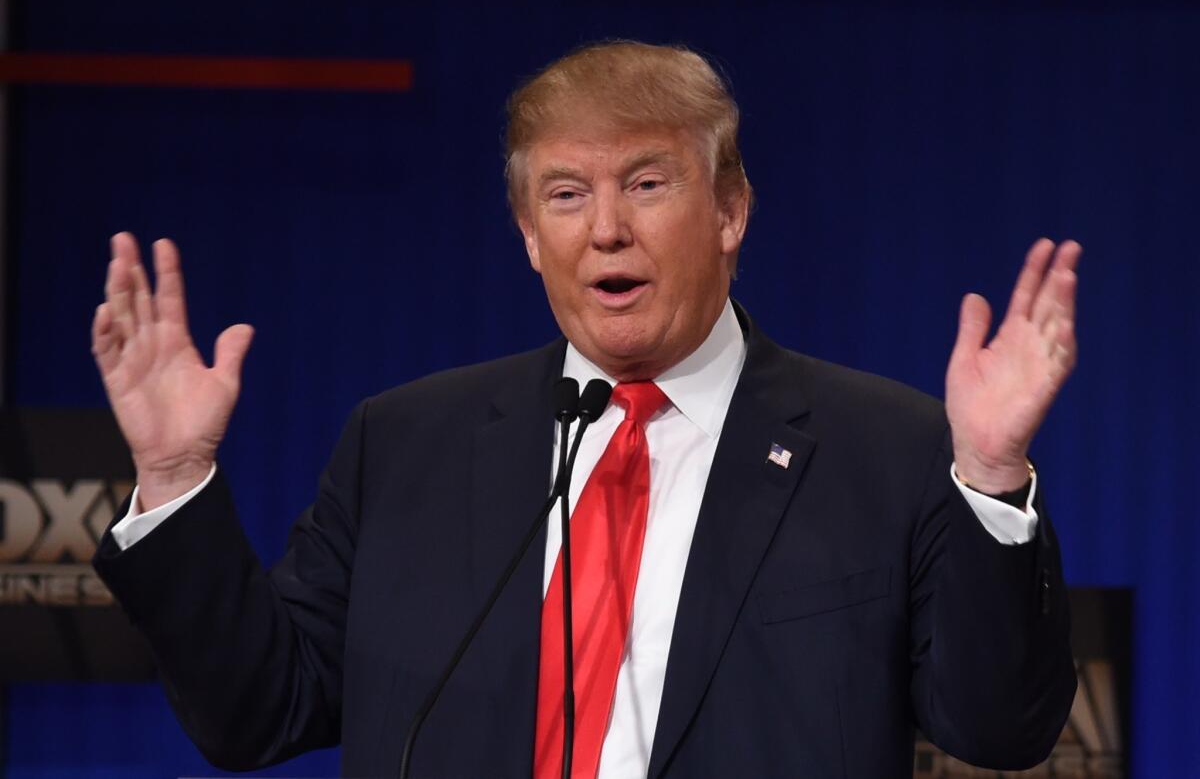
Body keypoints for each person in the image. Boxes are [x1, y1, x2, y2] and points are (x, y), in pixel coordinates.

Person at [91, 41, 1078, 778]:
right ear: (527, 233)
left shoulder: (886, 450)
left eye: (645, 184)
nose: (606, 228)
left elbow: (998, 729)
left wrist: (989, 479)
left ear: (731, 210)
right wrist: (175, 482)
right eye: (566, 194)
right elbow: (259, 711)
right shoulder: (405, 445)